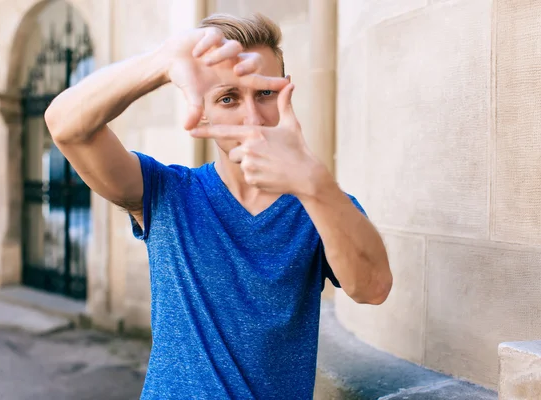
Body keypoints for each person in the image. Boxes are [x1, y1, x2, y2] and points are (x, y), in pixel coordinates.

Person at [45, 12, 392, 400]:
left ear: (285, 93)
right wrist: (162, 61)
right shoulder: (167, 192)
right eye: (228, 98)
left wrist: (315, 184)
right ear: (203, 109)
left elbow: (373, 288)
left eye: (265, 93)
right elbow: (66, 127)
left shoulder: (321, 203)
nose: (251, 118)